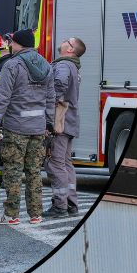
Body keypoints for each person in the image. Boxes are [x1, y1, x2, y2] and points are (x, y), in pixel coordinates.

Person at [0, 29, 55, 226]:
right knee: (34, 171)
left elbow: (2, 99)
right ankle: (36, 214)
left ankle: (11, 215)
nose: (10, 45)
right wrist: (48, 123)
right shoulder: (46, 65)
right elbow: (51, 99)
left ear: (18, 44)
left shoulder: (12, 65)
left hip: (15, 128)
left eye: (12, 42)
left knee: (13, 171)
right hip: (38, 128)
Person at [44, 36, 86, 217]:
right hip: (70, 122)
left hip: (60, 123)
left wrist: (50, 105)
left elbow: (59, 85)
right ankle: (71, 204)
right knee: (66, 164)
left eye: (67, 41)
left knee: (55, 163)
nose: (62, 41)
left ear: (70, 50)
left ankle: (60, 206)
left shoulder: (62, 66)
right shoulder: (73, 67)